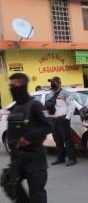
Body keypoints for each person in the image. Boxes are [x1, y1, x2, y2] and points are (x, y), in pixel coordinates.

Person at [3, 73, 51, 203]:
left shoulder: (35, 105)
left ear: (23, 86)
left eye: (15, 85)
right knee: (9, 184)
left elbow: (47, 126)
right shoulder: (14, 108)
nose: (11, 88)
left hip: (34, 158)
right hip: (18, 159)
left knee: (37, 195)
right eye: (10, 85)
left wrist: (28, 137)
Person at [46, 77, 76, 167]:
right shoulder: (50, 93)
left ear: (59, 83)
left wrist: (68, 117)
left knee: (67, 139)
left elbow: (72, 105)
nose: (52, 84)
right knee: (57, 140)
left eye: (54, 82)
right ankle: (60, 158)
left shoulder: (65, 93)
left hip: (63, 119)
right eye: (51, 82)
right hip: (53, 119)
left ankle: (72, 158)